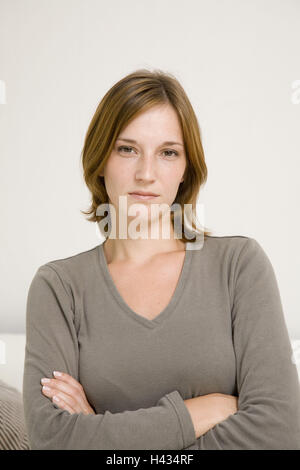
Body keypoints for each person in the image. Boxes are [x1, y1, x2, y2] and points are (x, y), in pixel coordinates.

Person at [23, 69, 300, 450]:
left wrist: (101, 435)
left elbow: (278, 431)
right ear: (100, 158)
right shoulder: (59, 287)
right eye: (127, 149)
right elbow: (52, 439)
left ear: (186, 170)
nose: (146, 173)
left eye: (168, 152)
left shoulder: (239, 266)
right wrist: (201, 412)